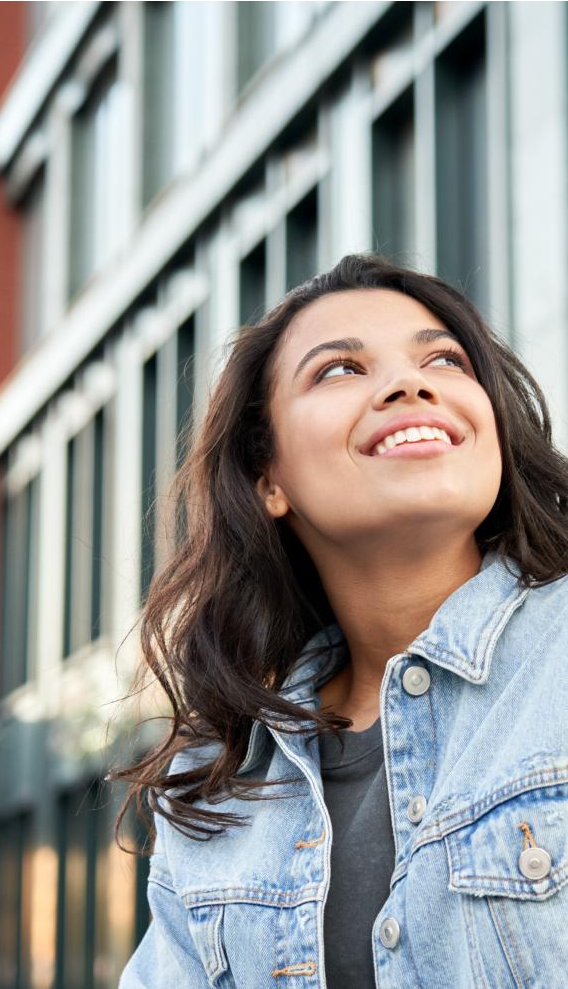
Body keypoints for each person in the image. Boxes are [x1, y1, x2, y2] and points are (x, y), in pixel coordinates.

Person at [110, 253, 568, 988]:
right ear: (269, 478)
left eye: (444, 360)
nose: (409, 383)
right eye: (338, 370)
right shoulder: (216, 779)